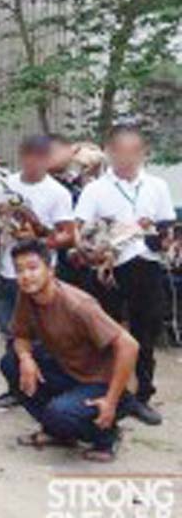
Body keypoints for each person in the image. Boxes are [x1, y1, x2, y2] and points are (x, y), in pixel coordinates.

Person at [1, 240, 139, 462]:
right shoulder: (27, 296)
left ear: (51, 270)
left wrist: (111, 400)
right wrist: (26, 359)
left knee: (60, 413)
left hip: (104, 381)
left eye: (33, 268)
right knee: (11, 362)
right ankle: (59, 433)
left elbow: (129, 345)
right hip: (70, 370)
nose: (26, 276)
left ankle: (107, 436)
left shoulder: (78, 305)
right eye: (19, 270)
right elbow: (21, 335)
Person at [74, 125, 175, 426]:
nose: (127, 158)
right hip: (108, 268)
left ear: (144, 153)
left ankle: (141, 395)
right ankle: (105, 391)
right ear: (110, 152)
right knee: (105, 331)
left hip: (146, 264)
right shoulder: (95, 189)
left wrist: (166, 238)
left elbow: (166, 224)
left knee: (146, 331)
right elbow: (79, 230)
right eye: (121, 151)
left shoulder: (156, 185)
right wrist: (93, 245)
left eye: (135, 152)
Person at [0, 135, 74, 410]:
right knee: (11, 332)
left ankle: (45, 390)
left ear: (48, 158)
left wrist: (39, 240)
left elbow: (68, 236)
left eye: (39, 155)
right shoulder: (5, 185)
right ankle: (16, 388)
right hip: (7, 271)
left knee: (44, 336)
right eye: (27, 154)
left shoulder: (58, 192)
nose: (32, 160)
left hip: (42, 278)